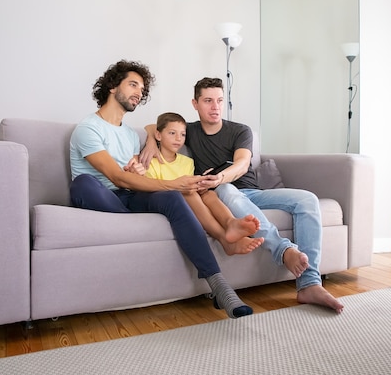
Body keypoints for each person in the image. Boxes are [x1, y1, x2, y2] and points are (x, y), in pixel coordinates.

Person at [141, 77, 344, 313]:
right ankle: (284, 251)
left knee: (307, 199)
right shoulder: (189, 131)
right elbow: (153, 127)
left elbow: (242, 163)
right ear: (195, 104)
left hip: (252, 193)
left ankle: (309, 283)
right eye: (208, 101)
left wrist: (220, 177)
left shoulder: (240, 130)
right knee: (227, 189)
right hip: (223, 195)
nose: (215, 107)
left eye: (219, 100)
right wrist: (149, 143)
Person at [69, 61, 253, 319]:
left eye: (142, 88)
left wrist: (139, 169)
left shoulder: (131, 135)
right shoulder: (88, 128)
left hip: (128, 198)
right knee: (84, 183)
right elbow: (115, 177)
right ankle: (134, 217)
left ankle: (220, 286)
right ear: (112, 86)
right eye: (133, 84)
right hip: (100, 195)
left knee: (170, 199)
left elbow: (132, 175)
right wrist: (171, 183)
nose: (139, 92)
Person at [145, 112, 263, 255]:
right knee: (191, 195)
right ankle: (224, 240)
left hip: (187, 194)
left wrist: (200, 182)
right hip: (165, 198)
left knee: (209, 194)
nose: (178, 138)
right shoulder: (151, 160)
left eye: (182, 135)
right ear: (158, 135)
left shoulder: (187, 162)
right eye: (172, 133)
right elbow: (151, 187)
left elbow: (189, 182)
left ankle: (230, 223)